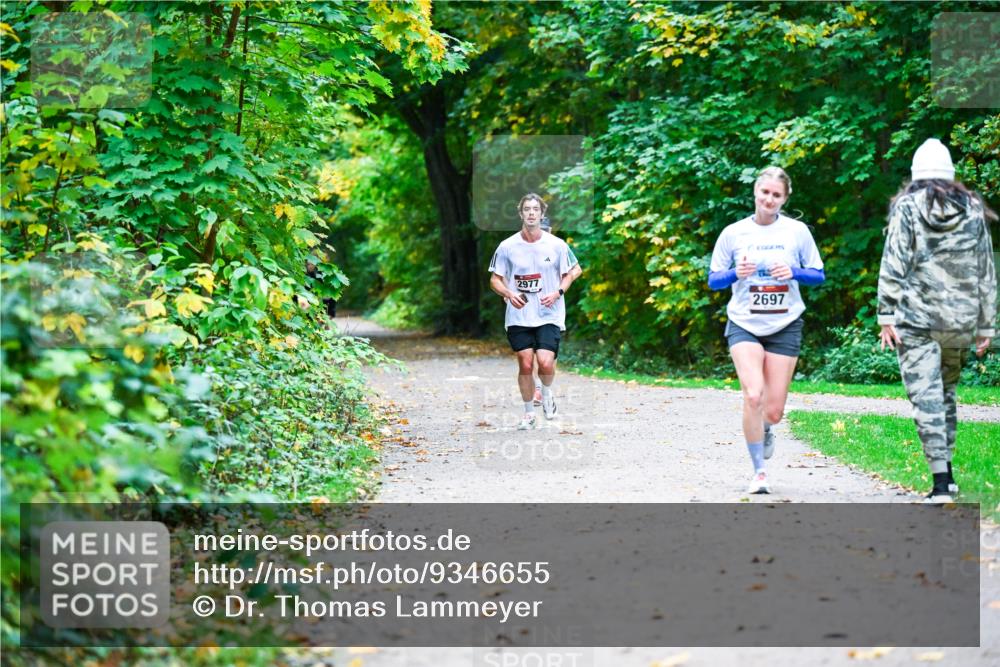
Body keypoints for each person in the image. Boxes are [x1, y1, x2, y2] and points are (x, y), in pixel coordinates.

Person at [877, 138, 996, 505]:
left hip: (917, 318)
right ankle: (949, 476)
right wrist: (987, 323)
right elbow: (985, 266)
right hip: (959, 320)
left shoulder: (907, 207)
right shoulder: (972, 208)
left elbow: (894, 259)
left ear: (915, 174)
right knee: (945, 393)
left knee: (925, 396)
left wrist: (886, 313)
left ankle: (941, 484)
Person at [708, 167, 825, 494]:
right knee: (753, 394)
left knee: (772, 411)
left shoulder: (796, 232)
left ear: (785, 199)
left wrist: (793, 272)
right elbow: (714, 280)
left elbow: (818, 275)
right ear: (755, 192)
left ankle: (766, 427)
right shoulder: (733, 233)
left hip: (785, 324)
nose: (769, 199)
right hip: (744, 323)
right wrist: (736, 273)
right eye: (765, 193)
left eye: (776, 195)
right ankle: (759, 472)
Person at [489, 194, 581, 430]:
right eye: (527, 209)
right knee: (526, 363)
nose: (531, 213)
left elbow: (570, 273)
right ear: (521, 213)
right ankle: (529, 413)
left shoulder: (557, 245)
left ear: (542, 213)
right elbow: (495, 280)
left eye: (535, 209)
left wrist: (558, 293)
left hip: (548, 313)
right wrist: (509, 294)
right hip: (519, 314)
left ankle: (547, 393)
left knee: (546, 362)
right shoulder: (507, 246)